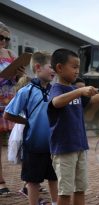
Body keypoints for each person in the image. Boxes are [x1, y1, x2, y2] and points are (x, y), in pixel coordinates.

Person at [47, 48, 99, 205]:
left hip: (80, 146)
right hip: (64, 149)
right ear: (59, 68)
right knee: (65, 191)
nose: (77, 71)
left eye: (78, 67)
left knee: (80, 188)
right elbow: (56, 102)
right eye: (74, 67)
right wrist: (80, 90)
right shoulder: (57, 89)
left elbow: (93, 100)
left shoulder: (73, 90)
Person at [4, 51, 58, 205]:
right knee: (33, 181)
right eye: (51, 66)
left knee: (54, 177)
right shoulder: (26, 91)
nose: (54, 70)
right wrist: (26, 122)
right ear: (38, 67)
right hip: (33, 144)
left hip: (53, 145)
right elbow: (8, 114)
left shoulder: (55, 91)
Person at [0, 22, 25, 195]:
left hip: (11, 102)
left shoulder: (10, 54)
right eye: (1, 37)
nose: (4, 41)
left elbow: (19, 82)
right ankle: (0, 183)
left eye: (7, 38)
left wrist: (20, 74)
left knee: (22, 139)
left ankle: (29, 181)